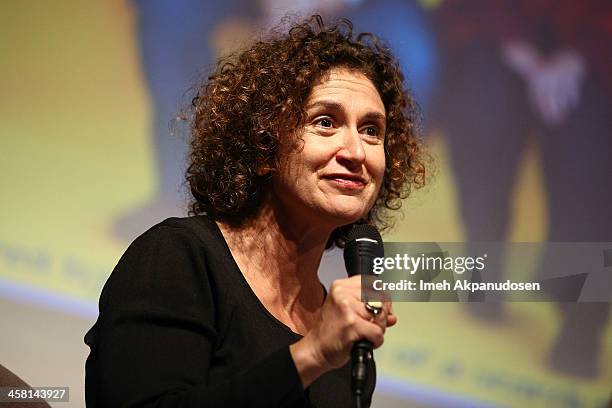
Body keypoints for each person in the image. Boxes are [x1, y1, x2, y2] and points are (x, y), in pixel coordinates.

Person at [85, 15, 426, 407]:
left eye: (371, 130)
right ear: (264, 146)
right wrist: (311, 355)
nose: (356, 152)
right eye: (326, 122)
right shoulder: (180, 257)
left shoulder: (344, 336)